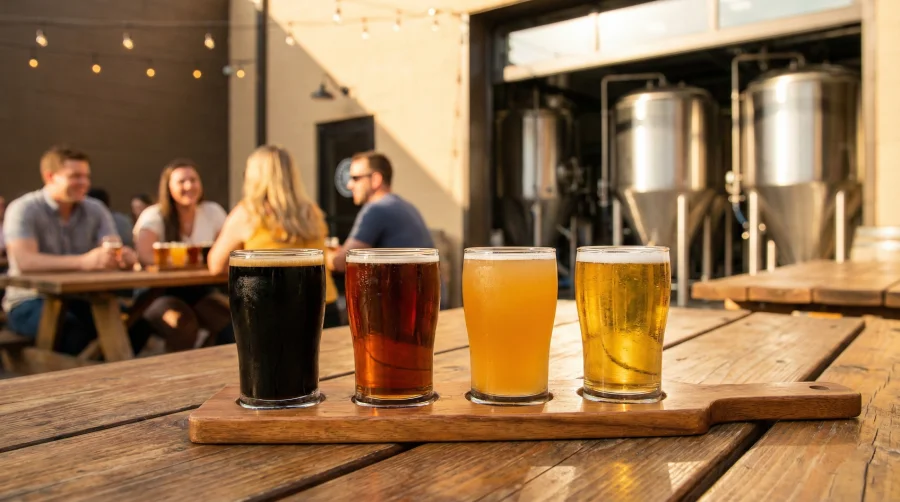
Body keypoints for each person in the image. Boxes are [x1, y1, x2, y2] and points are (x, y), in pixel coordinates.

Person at [1, 145, 151, 355]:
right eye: (75, 176)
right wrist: (84, 262)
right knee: (75, 333)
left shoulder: (95, 209)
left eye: (86, 176)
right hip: (30, 300)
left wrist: (123, 258)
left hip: (84, 298)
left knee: (137, 326)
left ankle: (106, 377)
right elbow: (26, 262)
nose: (84, 183)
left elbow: (110, 248)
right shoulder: (24, 209)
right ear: (50, 177)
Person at [208, 145, 341, 327]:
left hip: (275, 311)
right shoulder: (311, 211)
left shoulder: (249, 213)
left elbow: (216, 265)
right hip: (324, 306)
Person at [133, 159, 232, 350]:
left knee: (229, 321)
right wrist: (187, 261)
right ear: (168, 187)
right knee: (182, 323)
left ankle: (209, 367)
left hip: (201, 290)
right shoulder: (154, 215)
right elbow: (144, 255)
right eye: (181, 181)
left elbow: (226, 251)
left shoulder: (213, 212)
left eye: (193, 180)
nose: (189, 186)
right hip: (157, 293)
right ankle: (174, 373)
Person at [328, 151, 434, 273]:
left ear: (375, 180)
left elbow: (343, 263)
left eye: (355, 178)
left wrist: (324, 255)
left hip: (406, 290)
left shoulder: (376, 209)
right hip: (426, 289)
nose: (349, 185)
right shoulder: (405, 206)